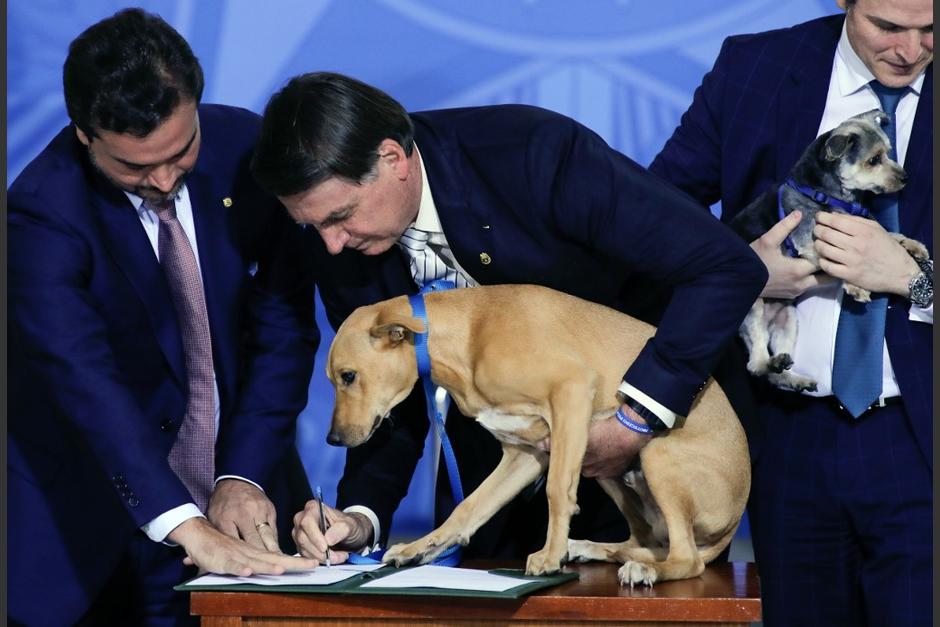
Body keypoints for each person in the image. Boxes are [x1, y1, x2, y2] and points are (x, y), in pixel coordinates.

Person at [247, 71, 768, 567]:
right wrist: (359, 516)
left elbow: (726, 267)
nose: (332, 245)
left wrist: (635, 420)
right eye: (312, 227)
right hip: (492, 484)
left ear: (392, 158)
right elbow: (387, 388)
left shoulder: (534, 154)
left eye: (339, 217)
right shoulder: (339, 242)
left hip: (643, 455)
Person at [8, 9, 319, 626]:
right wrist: (183, 522)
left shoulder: (244, 153)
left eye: (180, 151)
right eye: (133, 167)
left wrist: (243, 474)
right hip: (101, 524)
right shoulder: (41, 216)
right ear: (83, 133)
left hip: (248, 499)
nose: (164, 179)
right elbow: (84, 381)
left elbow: (282, 328)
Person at [649, 0, 932, 624]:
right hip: (783, 433)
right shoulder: (757, 68)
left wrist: (915, 279)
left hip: (921, 438)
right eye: (888, 27)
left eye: (932, 29)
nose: (911, 51)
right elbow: (653, 219)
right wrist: (742, 273)